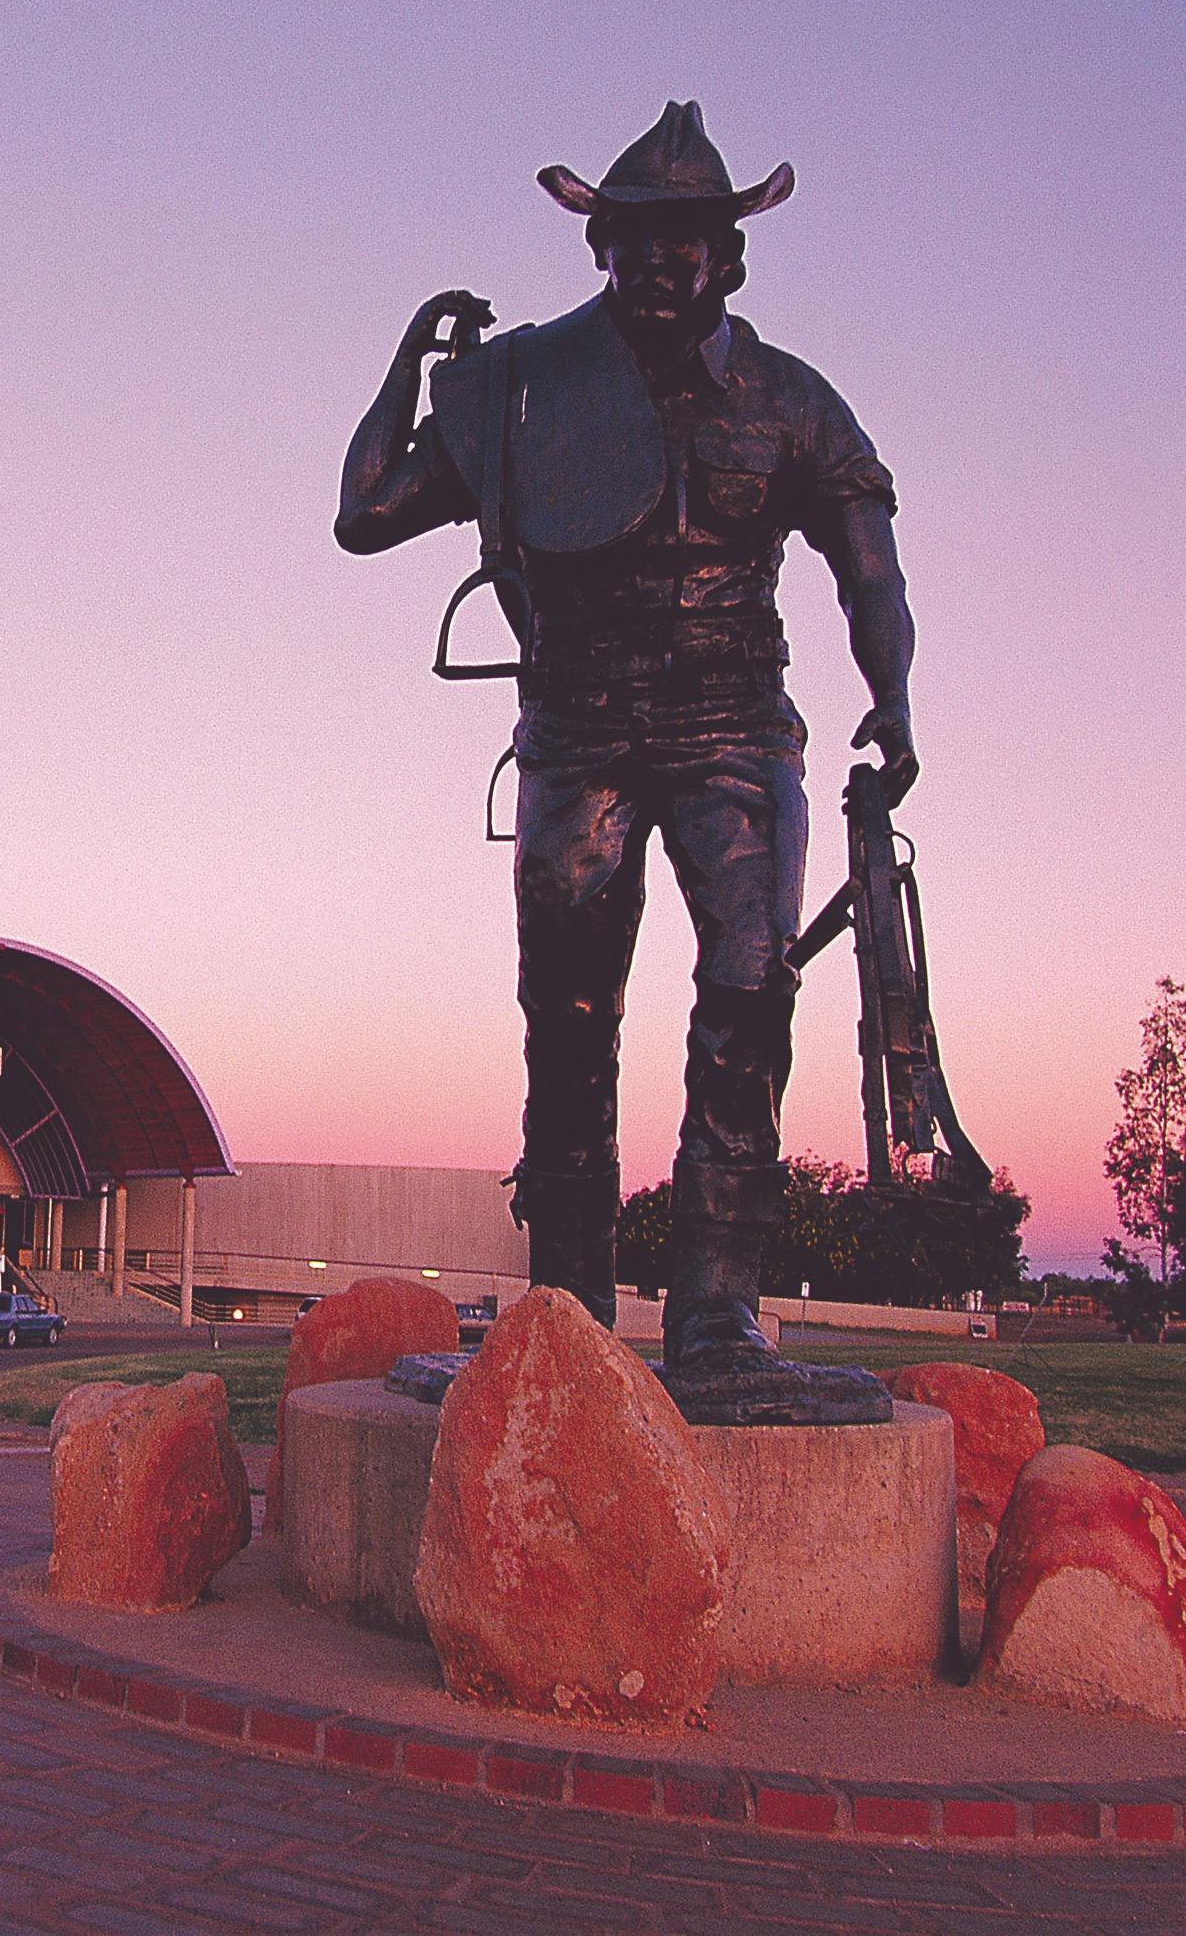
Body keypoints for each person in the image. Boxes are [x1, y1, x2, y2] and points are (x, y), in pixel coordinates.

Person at [335, 101, 913, 1423]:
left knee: (749, 996)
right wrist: (412, 367)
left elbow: (870, 566)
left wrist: (895, 696)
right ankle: (570, 1315)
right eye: (633, 238)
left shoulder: (793, 403)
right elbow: (365, 514)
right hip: (581, 733)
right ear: (600, 249)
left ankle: (716, 1315)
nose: (658, 261)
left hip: (734, 729)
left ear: (730, 256)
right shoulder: (529, 388)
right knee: (569, 1025)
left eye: (686, 239)